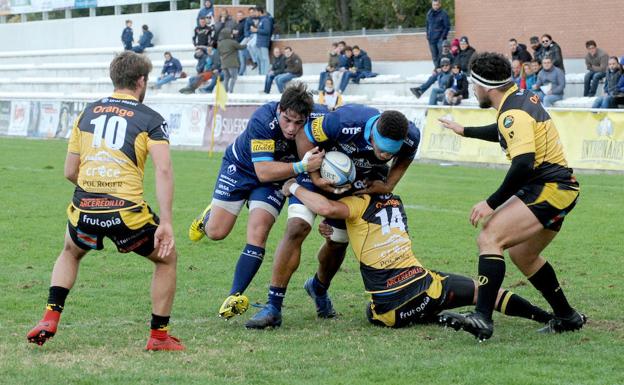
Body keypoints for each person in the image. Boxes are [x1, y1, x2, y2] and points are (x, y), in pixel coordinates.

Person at [26, 51, 184, 351]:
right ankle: (159, 336)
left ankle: (50, 316)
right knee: (166, 259)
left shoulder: (87, 113)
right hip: (127, 213)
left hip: (84, 208)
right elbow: (163, 169)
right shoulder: (150, 119)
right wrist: (165, 221)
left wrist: (95, 191)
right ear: (141, 81)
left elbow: (70, 171)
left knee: (70, 251)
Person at [438, 51, 585, 341]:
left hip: (549, 187)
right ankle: (568, 317)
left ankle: (482, 318)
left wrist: (489, 203)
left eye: (474, 84)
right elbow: (505, 131)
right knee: (524, 255)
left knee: (489, 237)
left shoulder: (512, 114)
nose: (473, 89)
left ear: (487, 87)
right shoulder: (519, 99)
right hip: (556, 187)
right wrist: (464, 130)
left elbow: (522, 163)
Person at [281, 180, 553, 329]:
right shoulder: (396, 201)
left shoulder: (352, 204)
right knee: (480, 290)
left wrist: (293, 187)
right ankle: (544, 316)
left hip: (389, 312)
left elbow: (326, 209)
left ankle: (429, 317)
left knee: (371, 313)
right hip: (427, 287)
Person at [245, 105, 420, 329]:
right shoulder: (345, 121)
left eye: (391, 153)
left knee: (337, 242)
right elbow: (304, 134)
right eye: (383, 150)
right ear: (373, 133)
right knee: (297, 227)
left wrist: (388, 185)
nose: (386, 156)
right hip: (321, 170)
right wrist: (315, 177)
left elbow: (405, 158)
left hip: (356, 181)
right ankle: (273, 306)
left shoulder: (411, 136)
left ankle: (319, 287)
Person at [187, 83, 327, 319]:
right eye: (287, 120)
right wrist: (302, 166)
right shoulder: (263, 118)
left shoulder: (320, 117)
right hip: (241, 169)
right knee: (216, 232)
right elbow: (262, 171)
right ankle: (208, 217)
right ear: (279, 110)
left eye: (298, 123)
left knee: (259, 232)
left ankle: (234, 296)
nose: (292, 129)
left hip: (276, 177)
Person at [217, 28, 247, 93]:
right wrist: (247, 44)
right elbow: (241, 47)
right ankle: (231, 91)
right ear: (228, 34)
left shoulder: (220, 43)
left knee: (226, 78)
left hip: (224, 63)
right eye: (231, 33)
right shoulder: (232, 42)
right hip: (232, 63)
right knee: (234, 77)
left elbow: (219, 53)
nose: (232, 35)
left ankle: (225, 91)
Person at [425, 0, 450, 67]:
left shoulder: (444, 14)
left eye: (437, 5)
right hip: (431, 39)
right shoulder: (429, 13)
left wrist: (442, 37)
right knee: (434, 56)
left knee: (441, 56)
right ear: (432, 5)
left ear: (439, 5)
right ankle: (437, 69)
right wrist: (427, 35)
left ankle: (443, 70)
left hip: (440, 39)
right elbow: (427, 25)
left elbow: (447, 27)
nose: (435, 6)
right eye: (434, 5)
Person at [253, 6, 273, 75]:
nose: (254, 14)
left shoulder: (266, 20)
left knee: (265, 59)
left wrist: (257, 30)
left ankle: (265, 74)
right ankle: (262, 74)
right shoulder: (261, 20)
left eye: (255, 12)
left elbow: (267, 31)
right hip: (259, 43)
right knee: (261, 59)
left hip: (264, 43)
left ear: (259, 12)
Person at [234, 10, 249, 75]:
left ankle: (241, 73)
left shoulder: (245, 22)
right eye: (238, 15)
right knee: (239, 60)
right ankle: (240, 72)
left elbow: (244, 34)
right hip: (237, 44)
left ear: (243, 15)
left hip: (242, 43)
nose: (239, 17)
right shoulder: (238, 24)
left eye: (240, 15)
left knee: (242, 59)